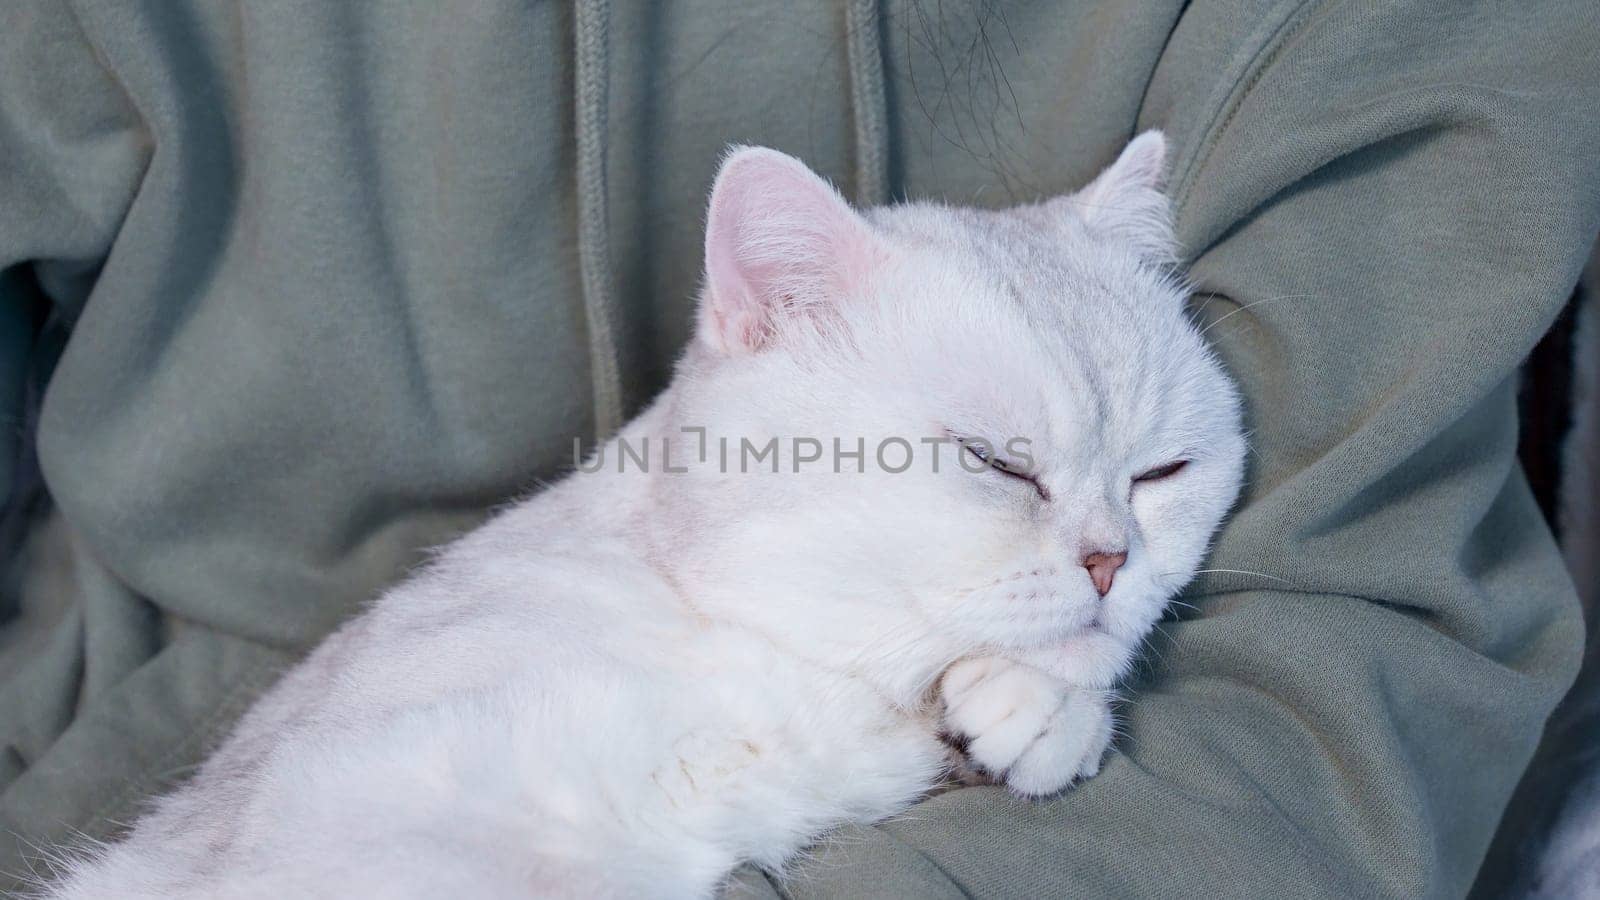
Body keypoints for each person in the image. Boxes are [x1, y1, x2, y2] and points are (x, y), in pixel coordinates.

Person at [1, 2, 1595, 895]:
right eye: (1003, 469)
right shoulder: (564, 649)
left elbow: (1355, 675)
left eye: (1159, 483)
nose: (1112, 553)